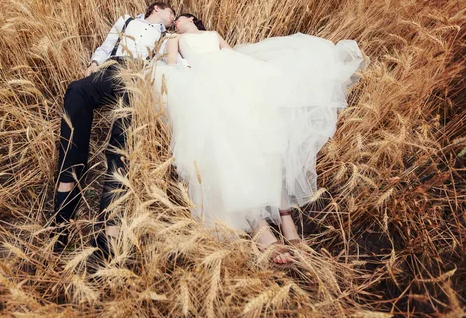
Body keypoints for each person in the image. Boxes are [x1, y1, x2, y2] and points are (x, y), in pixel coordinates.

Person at [151, 13, 366, 264]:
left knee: (263, 144)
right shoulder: (175, 39)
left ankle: (287, 223)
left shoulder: (212, 35)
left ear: (190, 18)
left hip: (236, 79)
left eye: (178, 18)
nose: (175, 22)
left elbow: (232, 54)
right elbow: (172, 65)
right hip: (204, 85)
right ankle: (260, 228)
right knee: (228, 146)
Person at [54, 2, 175, 253]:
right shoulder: (126, 21)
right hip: (110, 68)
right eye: (172, 14)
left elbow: (168, 66)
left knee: (122, 141)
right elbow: (107, 46)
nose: (173, 19)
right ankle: (61, 218)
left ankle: (108, 236)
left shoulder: (168, 36)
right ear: (158, 8)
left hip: (137, 76)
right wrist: (95, 63)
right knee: (76, 90)